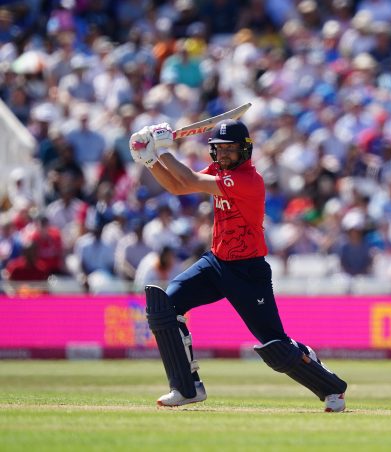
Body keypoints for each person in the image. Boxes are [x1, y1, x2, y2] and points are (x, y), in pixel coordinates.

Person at [129, 119, 347, 411]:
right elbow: (179, 187)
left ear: (245, 150)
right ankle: (186, 388)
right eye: (219, 149)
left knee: (275, 346)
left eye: (230, 149)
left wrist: (164, 149)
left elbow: (189, 179)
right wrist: (150, 159)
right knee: (165, 306)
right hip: (216, 262)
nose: (224, 154)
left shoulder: (248, 180)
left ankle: (332, 388)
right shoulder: (219, 170)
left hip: (248, 271)